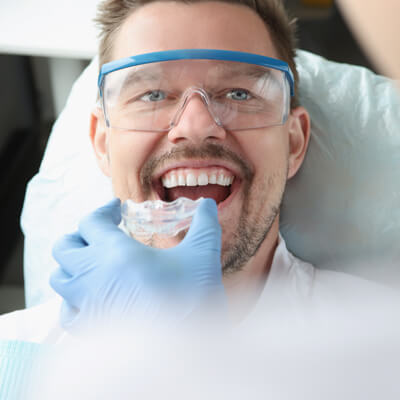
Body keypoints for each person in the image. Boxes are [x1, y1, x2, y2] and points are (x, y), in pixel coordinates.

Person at [0, 0, 397, 347]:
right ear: (102, 144)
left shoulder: (382, 344)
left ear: (294, 142)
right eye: (153, 94)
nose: (195, 125)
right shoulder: (17, 352)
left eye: (239, 94)